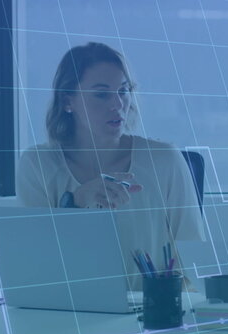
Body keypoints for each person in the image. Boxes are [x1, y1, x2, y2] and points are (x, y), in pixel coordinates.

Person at [16, 42, 205, 289]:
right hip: (72, 311)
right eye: (102, 94)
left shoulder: (164, 160)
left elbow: (193, 254)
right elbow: (35, 261)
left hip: (152, 310)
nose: (117, 104)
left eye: (123, 91)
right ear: (67, 101)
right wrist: (73, 202)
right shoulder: (37, 164)